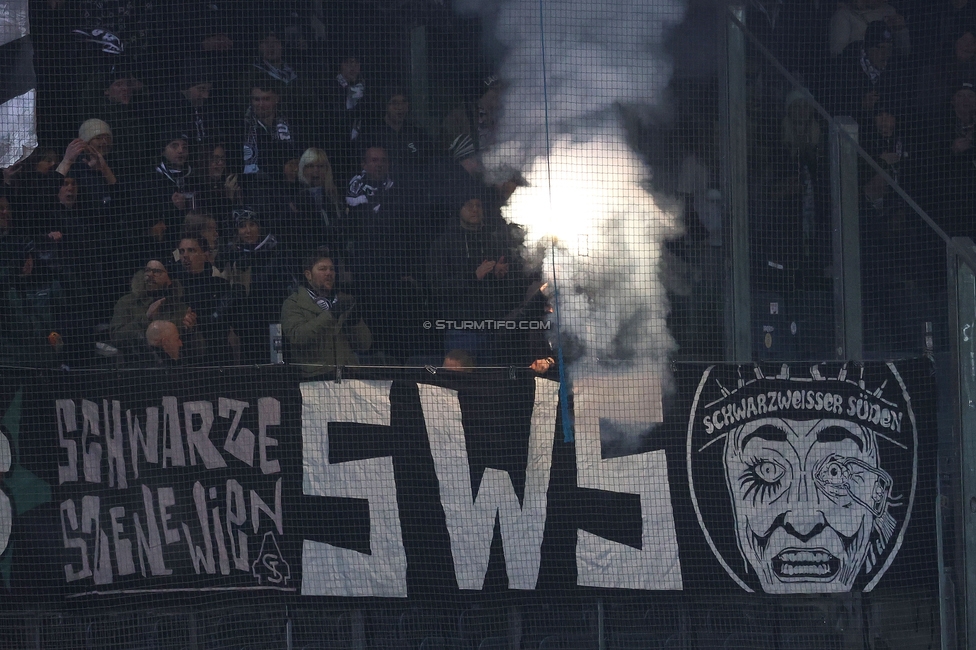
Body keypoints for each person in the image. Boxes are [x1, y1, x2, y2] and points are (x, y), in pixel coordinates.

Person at [281, 251, 371, 377]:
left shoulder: (344, 300)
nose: (329, 273)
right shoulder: (294, 303)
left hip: (350, 377)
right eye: (322, 269)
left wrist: (355, 323)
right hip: (315, 380)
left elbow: (364, 346)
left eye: (332, 269)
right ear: (308, 275)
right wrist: (330, 315)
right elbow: (297, 336)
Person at [109, 260, 198, 365]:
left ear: (169, 279)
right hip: (135, 368)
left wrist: (191, 331)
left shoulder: (180, 308)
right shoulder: (127, 303)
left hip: (173, 369)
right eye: (147, 270)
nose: (150, 275)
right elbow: (115, 337)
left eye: (157, 271)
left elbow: (198, 352)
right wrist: (145, 318)